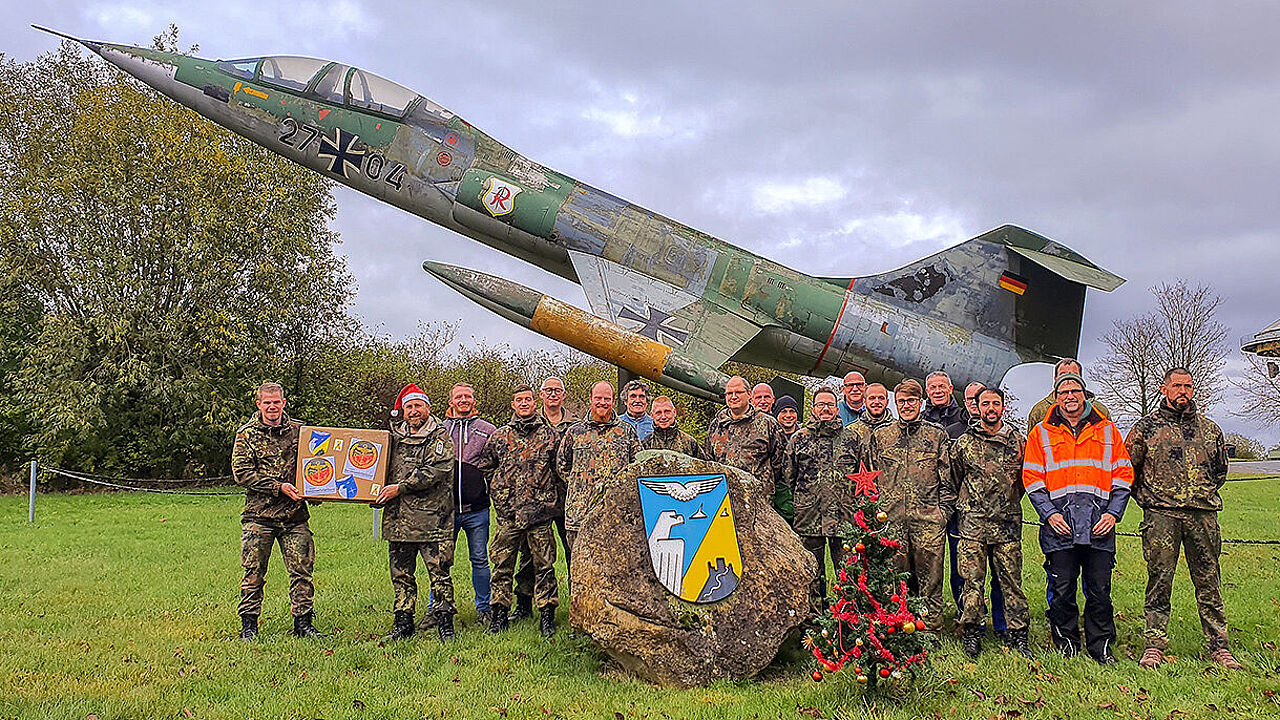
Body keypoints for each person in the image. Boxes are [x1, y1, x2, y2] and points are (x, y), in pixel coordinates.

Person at [1127, 368, 1240, 670]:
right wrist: (1151, 502)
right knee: (1159, 580)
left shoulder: (1210, 430)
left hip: (1202, 517)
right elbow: (1129, 472)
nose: (1183, 391)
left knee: (1208, 581)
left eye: (1188, 386)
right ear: (1164, 389)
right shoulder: (1145, 428)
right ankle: (1154, 644)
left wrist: (1199, 496)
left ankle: (1218, 645)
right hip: (1161, 517)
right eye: (1177, 385)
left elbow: (1220, 472)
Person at [1023, 372, 1132, 663]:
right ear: (1056, 397)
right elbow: (1032, 479)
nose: (1070, 396)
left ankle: (1101, 646)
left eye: (1075, 391)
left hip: (1099, 524)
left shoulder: (1108, 431)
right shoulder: (1041, 433)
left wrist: (1113, 513)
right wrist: (1049, 515)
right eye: (1064, 392)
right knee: (1062, 589)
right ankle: (1066, 643)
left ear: (1085, 394)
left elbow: (1123, 475)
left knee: (1099, 590)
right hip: (1060, 525)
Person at [230, 382, 321, 640]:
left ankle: (303, 623)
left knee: (302, 571)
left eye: (276, 402)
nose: (272, 406)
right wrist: (278, 487)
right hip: (260, 517)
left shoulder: (302, 431)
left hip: (295, 517)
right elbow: (242, 473)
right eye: (267, 402)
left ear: (283, 403)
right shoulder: (246, 434)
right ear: (258, 404)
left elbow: (319, 463)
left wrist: (318, 490)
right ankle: (249, 624)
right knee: (253, 572)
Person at [474, 385, 561, 638]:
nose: (524, 404)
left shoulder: (550, 435)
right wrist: (500, 493)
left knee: (544, 566)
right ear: (513, 405)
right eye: (519, 400)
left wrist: (547, 498)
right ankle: (499, 614)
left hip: (540, 515)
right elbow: (487, 467)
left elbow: (560, 469)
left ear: (535, 403)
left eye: (528, 400)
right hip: (508, 515)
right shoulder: (501, 436)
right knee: (502, 565)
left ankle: (547, 615)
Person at [950, 387, 1030, 657]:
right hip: (972, 526)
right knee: (971, 582)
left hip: (1007, 525)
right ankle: (972, 631)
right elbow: (955, 476)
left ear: (1003, 407)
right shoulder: (964, 443)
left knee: (1011, 582)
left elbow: (1025, 481)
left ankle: (1018, 633)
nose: (991, 408)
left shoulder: (1018, 442)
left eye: (996, 403)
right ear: (978, 407)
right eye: (985, 404)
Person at [376, 384, 457, 642]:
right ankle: (403, 622)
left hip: (433, 521)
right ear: (403, 410)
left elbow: (436, 470)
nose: (413, 411)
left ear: (428, 409)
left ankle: (445, 622)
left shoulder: (440, 436)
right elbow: (374, 467)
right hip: (399, 520)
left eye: (418, 406)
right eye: (409, 407)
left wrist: (398, 488)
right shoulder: (392, 438)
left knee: (439, 573)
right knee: (401, 574)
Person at [869, 378, 955, 622]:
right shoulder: (882, 436)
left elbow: (947, 478)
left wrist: (942, 514)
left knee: (930, 575)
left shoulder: (936, 435)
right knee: (893, 576)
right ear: (895, 405)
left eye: (911, 401)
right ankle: (896, 624)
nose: (906, 406)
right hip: (891, 519)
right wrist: (877, 512)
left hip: (927, 519)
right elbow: (872, 477)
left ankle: (929, 625)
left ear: (921, 402)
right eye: (901, 402)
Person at [786, 388, 862, 610]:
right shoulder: (799, 438)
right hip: (809, 519)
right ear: (813, 409)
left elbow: (862, 475)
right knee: (811, 573)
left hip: (844, 519)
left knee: (848, 574)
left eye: (829, 404)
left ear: (837, 408)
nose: (825, 408)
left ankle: (848, 619)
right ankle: (813, 620)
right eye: (821, 404)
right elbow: (789, 476)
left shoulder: (852, 439)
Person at [509, 376, 578, 623]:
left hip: (568, 500)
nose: (552, 394)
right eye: (548, 390)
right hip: (537, 501)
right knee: (529, 556)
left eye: (557, 390)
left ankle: (577, 606)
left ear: (564, 395)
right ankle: (524, 604)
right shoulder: (531, 423)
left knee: (574, 554)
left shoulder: (575, 425)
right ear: (541, 395)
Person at [557, 381, 640, 567]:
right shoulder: (574, 432)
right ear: (590, 400)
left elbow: (637, 467)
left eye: (606, 398)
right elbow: (562, 466)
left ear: (613, 401)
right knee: (580, 569)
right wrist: (580, 487)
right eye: (598, 398)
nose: (602, 402)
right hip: (579, 516)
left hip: (616, 515)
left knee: (615, 569)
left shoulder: (626, 432)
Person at [441, 382, 496, 627]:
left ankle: (484, 608)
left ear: (474, 401)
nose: (463, 400)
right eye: (459, 396)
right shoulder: (439, 430)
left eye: (468, 396)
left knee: (480, 559)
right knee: (440, 561)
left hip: (478, 510)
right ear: (451, 401)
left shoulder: (488, 430)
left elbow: (498, 465)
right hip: (446, 509)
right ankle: (438, 609)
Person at [705, 375, 791, 522]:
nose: (733, 397)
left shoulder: (767, 424)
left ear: (749, 394)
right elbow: (708, 460)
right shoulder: (717, 424)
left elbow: (780, 463)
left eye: (738, 392)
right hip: (724, 501)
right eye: (729, 394)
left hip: (758, 502)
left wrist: (763, 482)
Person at [1027, 358, 1111, 429]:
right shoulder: (1039, 411)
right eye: (1063, 374)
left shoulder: (1100, 411)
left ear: (1081, 378)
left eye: (1074, 374)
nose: (1068, 378)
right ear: (1055, 379)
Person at [923, 371, 965, 438]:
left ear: (950, 389)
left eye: (942, 386)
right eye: (933, 387)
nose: (938, 391)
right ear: (927, 392)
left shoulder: (963, 418)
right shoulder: (920, 418)